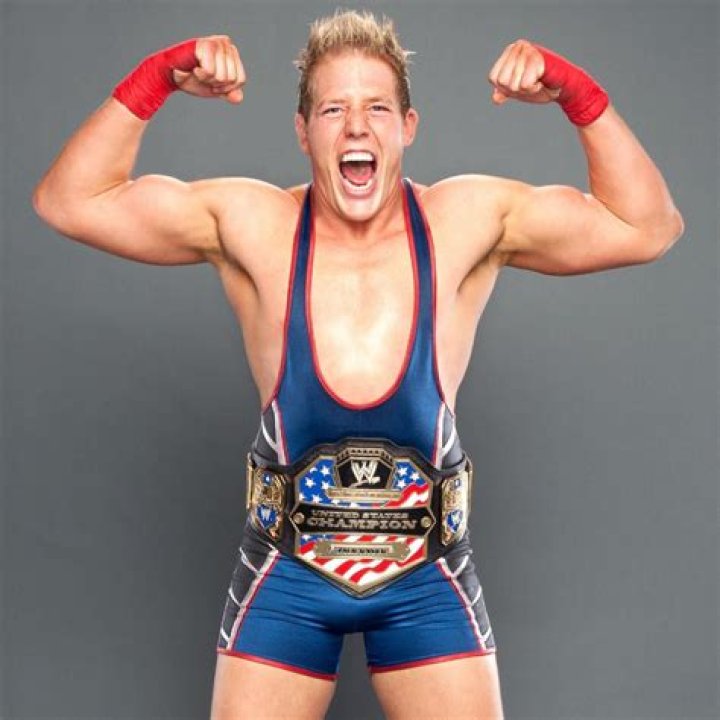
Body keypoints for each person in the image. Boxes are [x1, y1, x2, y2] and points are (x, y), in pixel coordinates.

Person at [33, 9, 683, 720]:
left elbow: (646, 226)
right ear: (303, 131)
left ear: (407, 126)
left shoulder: (463, 222)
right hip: (285, 574)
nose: (355, 128)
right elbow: (69, 200)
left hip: (427, 576)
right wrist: (156, 76)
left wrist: (575, 94)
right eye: (332, 109)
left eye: (376, 108)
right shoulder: (256, 226)